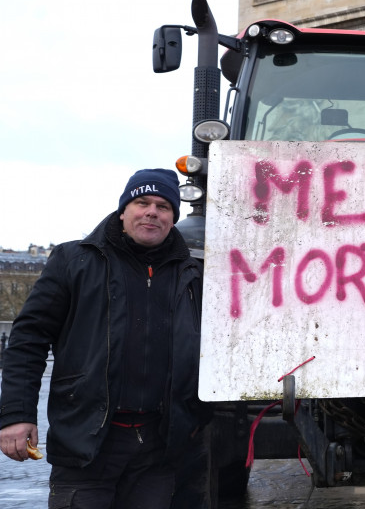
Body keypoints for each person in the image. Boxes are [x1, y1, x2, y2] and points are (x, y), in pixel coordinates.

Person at [0, 168, 209, 508]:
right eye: (142, 202)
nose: (152, 211)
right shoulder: (74, 261)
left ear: (174, 216)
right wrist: (16, 415)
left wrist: (196, 419)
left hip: (159, 449)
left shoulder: (192, 274)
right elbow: (28, 340)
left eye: (163, 205)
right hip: (87, 443)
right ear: (123, 209)